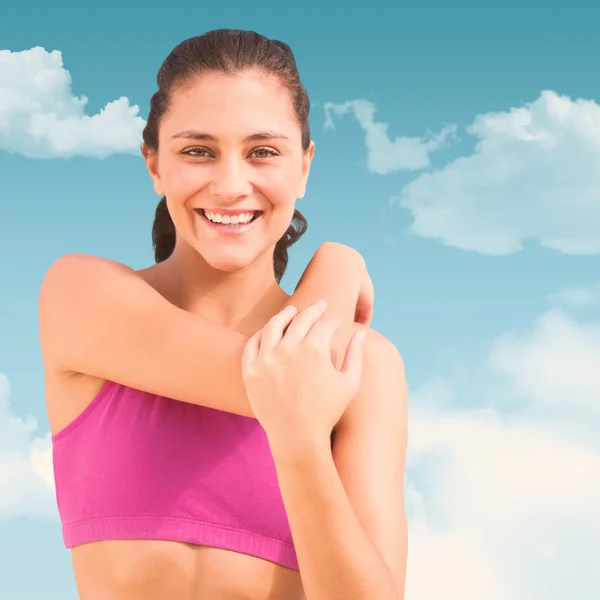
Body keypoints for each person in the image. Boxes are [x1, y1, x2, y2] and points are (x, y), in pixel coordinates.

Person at [38, 29, 408, 600]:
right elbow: (283, 376)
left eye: (263, 151)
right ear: (154, 164)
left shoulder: (370, 368)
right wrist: (339, 263)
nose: (232, 185)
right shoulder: (80, 295)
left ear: (304, 167)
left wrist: (302, 445)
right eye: (197, 150)